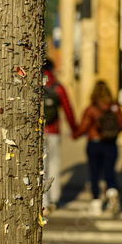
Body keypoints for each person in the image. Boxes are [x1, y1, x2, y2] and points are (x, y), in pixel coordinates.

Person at [73, 80, 122, 216]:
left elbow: (83, 126)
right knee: (110, 171)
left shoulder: (91, 109)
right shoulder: (115, 107)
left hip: (94, 144)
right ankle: (112, 192)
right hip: (111, 144)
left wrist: (75, 135)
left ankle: (96, 204)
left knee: (94, 174)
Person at [43, 60, 77, 213]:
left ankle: (43, 200)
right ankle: (54, 199)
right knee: (54, 164)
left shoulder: (36, 85)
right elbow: (68, 109)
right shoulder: (58, 87)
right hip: (54, 131)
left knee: (41, 167)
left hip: (39, 132)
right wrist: (74, 129)